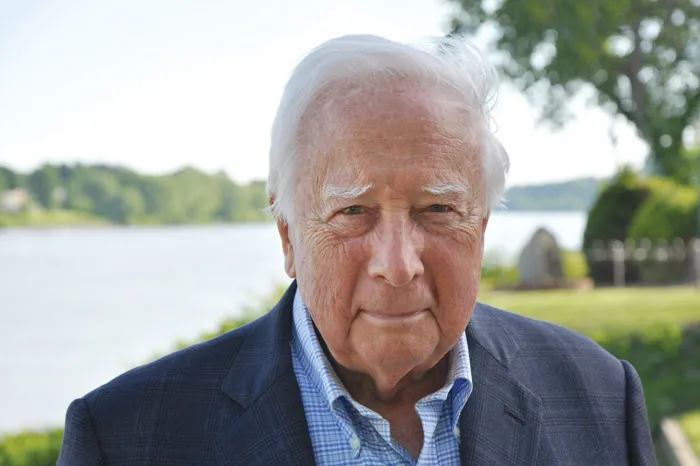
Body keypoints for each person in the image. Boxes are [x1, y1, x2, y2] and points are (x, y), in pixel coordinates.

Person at [58, 35, 656, 465]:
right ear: (288, 236)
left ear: (481, 228)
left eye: (438, 210)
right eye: (353, 212)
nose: (398, 264)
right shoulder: (127, 437)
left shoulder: (599, 394)